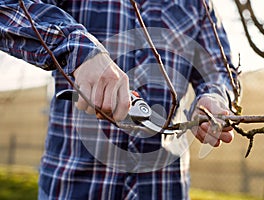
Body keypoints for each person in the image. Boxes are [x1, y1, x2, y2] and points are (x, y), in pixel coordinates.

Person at [0, 0, 238, 199]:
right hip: (72, 186)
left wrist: (215, 97)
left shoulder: (197, 4)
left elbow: (221, 69)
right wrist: (78, 49)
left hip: (165, 187)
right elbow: (7, 7)